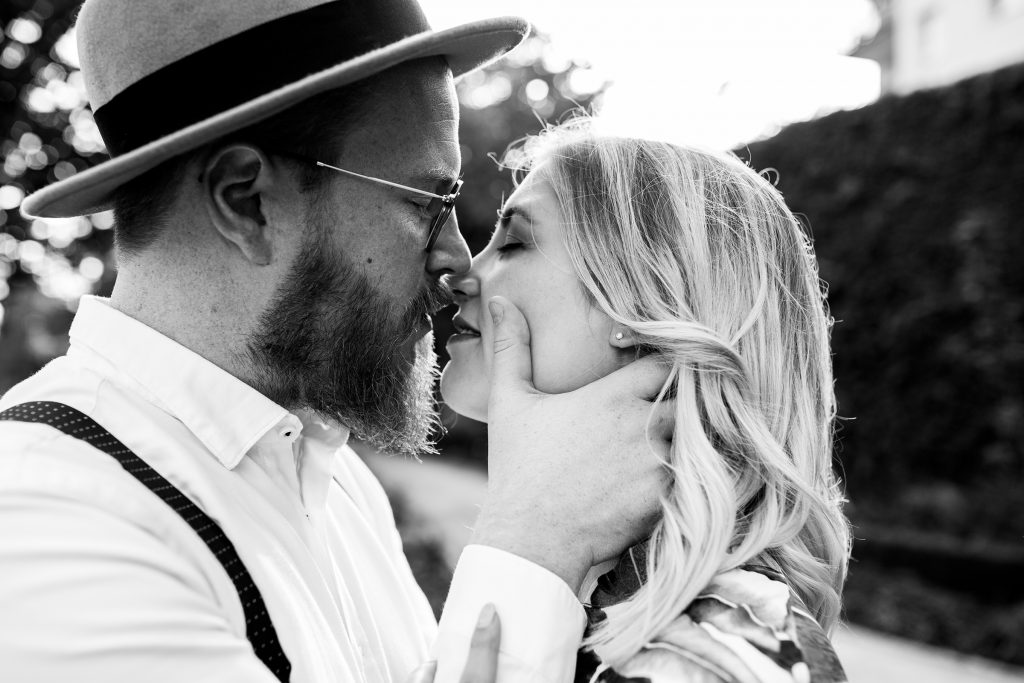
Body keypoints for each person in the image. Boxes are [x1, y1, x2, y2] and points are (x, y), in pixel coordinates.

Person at [0, 2, 674, 682]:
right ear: (246, 202)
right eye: (427, 202)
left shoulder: (335, 476)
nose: (457, 260)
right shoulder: (49, 524)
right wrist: (538, 541)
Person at [439, 119, 852, 683]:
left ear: (640, 303)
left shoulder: (728, 656)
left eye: (513, 242)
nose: (462, 275)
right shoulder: (616, 596)